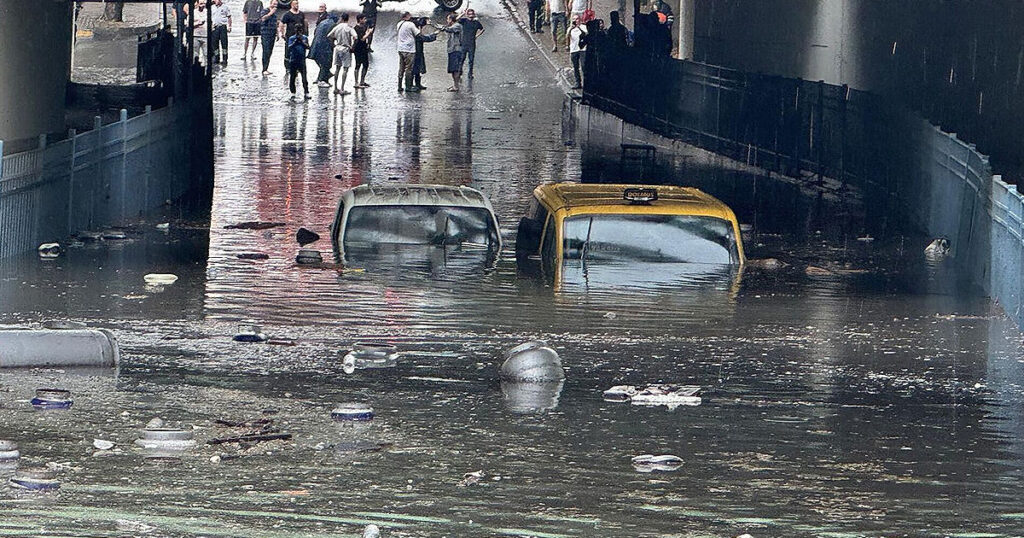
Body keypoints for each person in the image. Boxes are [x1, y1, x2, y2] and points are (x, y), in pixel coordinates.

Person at [328, 13, 357, 95]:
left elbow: (329, 35)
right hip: (346, 48)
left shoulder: (337, 27)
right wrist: (352, 47)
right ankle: (342, 88)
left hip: (338, 48)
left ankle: (335, 87)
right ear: (348, 19)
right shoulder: (349, 27)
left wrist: (333, 43)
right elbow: (355, 37)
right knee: (345, 69)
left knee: (337, 68)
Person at [436, 13, 463, 92]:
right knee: (453, 69)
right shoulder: (454, 25)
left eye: (448, 19)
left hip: (456, 50)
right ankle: (455, 84)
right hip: (452, 50)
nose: (447, 21)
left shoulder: (457, 26)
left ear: (451, 20)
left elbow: (449, 29)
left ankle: (456, 86)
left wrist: (437, 26)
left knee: (455, 69)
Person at [310, 11, 337, 86]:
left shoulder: (322, 22)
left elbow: (315, 32)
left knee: (321, 63)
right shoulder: (333, 24)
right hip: (325, 47)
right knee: (326, 64)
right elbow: (331, 36)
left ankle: (323, 77)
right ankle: (321, 80)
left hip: (315, 45)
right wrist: (334, 45)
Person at [286, 21, 311, 100]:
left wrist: (303, 43)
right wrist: (295, 42)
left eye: (300, 30)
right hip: (293, 60)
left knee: (304, 78)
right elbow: (289, 48)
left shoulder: (305, 38)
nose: (298, 32)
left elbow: (308, 47)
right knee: (292, 77)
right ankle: (292, 92)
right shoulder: (291, 38)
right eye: (297, 30)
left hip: (302, 60)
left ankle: (306, 92)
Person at [396, 12, 420, 92]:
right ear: (407, 16)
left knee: (401, 67)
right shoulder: (410, 24)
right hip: (409, 49)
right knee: (409, 68)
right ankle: (408, 86)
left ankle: (399, 86)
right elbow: (417, 33)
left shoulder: (399, 24)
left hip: (400, 48)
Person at [412, 17, 438, 90]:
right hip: (416, 52)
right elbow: (424, 38)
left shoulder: (415, 30)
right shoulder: (417, 33)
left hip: (417, 52)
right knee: (415, 68)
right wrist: (434, 34)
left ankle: (417, 84)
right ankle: (413, 84)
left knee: (417, 68)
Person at [457, 8, 484, 79]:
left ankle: (470, 74)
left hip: (472, 44)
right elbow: (456, 20)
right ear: (467, 15)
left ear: (474, 14)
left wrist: (476, 36)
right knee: (462, 59)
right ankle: (459, 72)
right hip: (464, 43)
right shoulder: (464, 21)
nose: (471, 15)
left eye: (472, 14)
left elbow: (482, 29)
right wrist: (462, 13)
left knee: (471, 60)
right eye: (469, 14)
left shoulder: (476, 23)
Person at [278, 1, 305, 68]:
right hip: (290, 36)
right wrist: (282, 33)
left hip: (299, 36)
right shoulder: (287, 14)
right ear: (292, 5)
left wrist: (305, 33)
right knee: (288, 51)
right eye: (296, 4)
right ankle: (287, 67)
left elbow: (304, 23)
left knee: (299, 52)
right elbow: (281, 24)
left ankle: (298, 67)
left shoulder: (301, 14)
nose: (297, 5)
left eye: (298, 4)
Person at [352, 14, 374, 88]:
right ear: (360, 19)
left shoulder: (364, 27)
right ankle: (356, 82)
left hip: (364, 48)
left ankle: (362, 81)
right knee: (358, 65)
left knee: (365, 64)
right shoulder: (356, 28)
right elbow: (362, 38)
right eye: (364, 19)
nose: (365, 20)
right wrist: (369, 33)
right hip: (358, 48)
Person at [258, 2, 279, 75]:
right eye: (274, 4)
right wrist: (270, 13)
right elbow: (263, 19)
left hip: (272, 34)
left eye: (276, 4)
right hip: (265, 34)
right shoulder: (265, 10)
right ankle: (264, 69)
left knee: (270, 51)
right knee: (266, 51)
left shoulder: (275, 13)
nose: (275, 6)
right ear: (270, 3)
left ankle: (266, 68)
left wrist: (277, 33)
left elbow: (276, 23)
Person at [567, 14, 587, 89]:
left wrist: (579, 27)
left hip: (582, 49)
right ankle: (577, 82)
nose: (575, 21)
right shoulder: (570, 28)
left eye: (577, 19)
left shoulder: (584, 27)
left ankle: (586, 82)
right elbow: (567, 37)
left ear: (580, 20)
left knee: (583, 66)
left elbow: (586, 34)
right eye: (574, 19)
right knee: (575, 67)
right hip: (574, 49)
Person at [210, 0, 232, 64]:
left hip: (223, 27)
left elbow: (229, 17)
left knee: (224, 43)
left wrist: (229, 26)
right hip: (214, 27)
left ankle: (225, 58)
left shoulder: (225, 7)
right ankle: (217, 57)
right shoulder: (212, 7)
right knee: (214, 43)